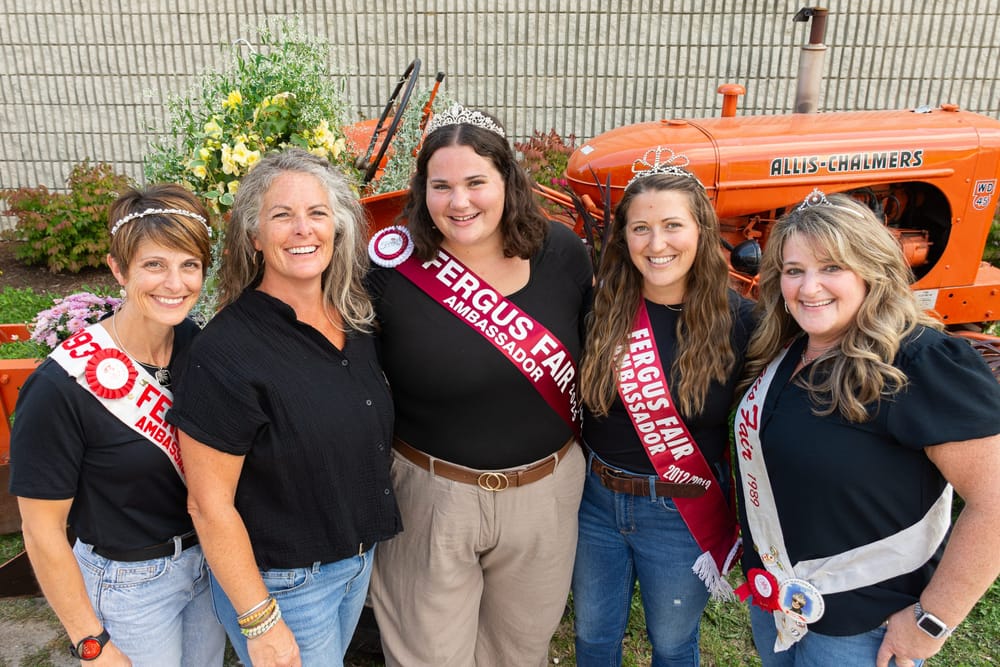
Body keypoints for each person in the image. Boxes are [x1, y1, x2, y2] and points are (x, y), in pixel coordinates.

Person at [366, 104, 593, 666]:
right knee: (427, 654)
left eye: (475, 183)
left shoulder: (561, 254)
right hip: (430, 495)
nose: (459, 202)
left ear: (507, 181)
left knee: (519, 650)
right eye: (441, 186)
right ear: (422, 191)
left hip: (545, 495)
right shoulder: (390, 272)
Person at [733, 190, 1000, 667]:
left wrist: (931, 621)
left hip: (866, 632)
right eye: (795, 271)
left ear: (872, 270)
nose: (809, 287)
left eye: (832, 267)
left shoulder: (920, 360)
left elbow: (996, 503)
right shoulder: (791, 349)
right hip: (780, 605)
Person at [166, 148, 400, 667]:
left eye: (317, 214)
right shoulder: (226, 352)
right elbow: (208, 504)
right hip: (286, 586)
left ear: (337, 229)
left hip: (354, 564)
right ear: (253, 237)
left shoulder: (355, 321)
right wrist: (260, 620)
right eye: (282, 215)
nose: (303, 229)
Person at [9, 185, 224, 665]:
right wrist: (91, 642)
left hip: (204, 564)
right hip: (129, 586)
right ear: (118, 269)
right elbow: (41, 530)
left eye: (189, 264)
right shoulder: (59, 386)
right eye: (154, 265)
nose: (175, 282)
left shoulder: (196, 344)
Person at [572, 157, 755, 666]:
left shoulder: (740, 320)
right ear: (623, 237)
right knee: (591, 636)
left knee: (673, 644)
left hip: (681, 509)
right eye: (641, 229)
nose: (657, 245)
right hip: (597, 501)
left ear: (701, 230)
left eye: (673, 225)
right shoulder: (598, 308)